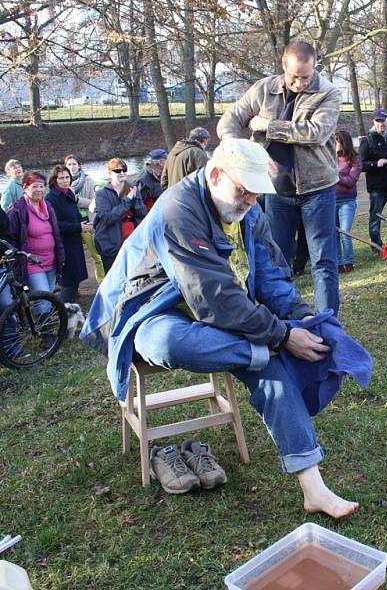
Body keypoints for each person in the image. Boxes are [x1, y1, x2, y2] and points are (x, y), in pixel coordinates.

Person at [81, 138, 366, 518]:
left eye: (256, 194)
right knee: (168, 342)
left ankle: (313, 488)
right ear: (215, 175)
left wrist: (303, 319)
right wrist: (280, 336)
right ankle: (261, 351)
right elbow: (213, 297)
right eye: (244, 192)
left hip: (222, 318)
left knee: (266, 363)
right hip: (152, 312)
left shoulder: (248, 212)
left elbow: (271, 280)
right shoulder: (177, 208)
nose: (250, 202)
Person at [218, 41, 341, 315]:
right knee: (276, 261)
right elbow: (229, 121)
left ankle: (328, 323)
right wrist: (237, 152)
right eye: (294, 76)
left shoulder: (329, 93)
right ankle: (285, 323)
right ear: (283, 65)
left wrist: (267, 126)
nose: (299, 83)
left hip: (318, 189)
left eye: (306, 77)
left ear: (315, 66)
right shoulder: (263, 89)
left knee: (323, 262)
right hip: (275, 190)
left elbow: (315, 134)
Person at [7, 171, 64, 296]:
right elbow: (11, 238)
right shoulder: (17, 210)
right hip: (31, 263)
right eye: (34, 186)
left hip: (51, 261)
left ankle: (42, 315)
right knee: (43, 299)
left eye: (42, 186)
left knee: (49, 298)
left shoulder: (48, 207)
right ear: (25, 188)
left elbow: (56, 235)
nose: (39, 190)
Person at [44, 165, 90, 303]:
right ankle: (62, 308)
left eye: (67, 177)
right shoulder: (52, 198)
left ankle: (73, 305)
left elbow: (75, 214)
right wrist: (78, 226)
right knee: (68, 280)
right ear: (54, 180)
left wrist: (84, 224)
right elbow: (55, 224)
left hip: (74, 239)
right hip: (63, 242)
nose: (65, 180)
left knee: (75, 278)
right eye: (61, 178)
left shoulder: (68, 193)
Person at [93, 158, 147, 272]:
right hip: (111, 243)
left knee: (134, 275)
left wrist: (135, 197)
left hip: (132, 241)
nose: (122, 173)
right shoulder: (101, 194)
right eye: (117, 171)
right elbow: (108, 218)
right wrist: (127, 200)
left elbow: (142, 213)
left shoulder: (132, 188)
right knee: (114, 277)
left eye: (124, 170)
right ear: (110, 173)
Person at [360, 108, 387, 248]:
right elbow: (360, 165)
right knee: (375, 216)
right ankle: (376, 246)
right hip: (377, 187)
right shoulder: (368, 140)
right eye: (378, 121)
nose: (381, 124)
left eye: (383, 120)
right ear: (374, 122)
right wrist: (375, 164)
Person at [64, 154, 104, 282]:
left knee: (96, 255)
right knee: (72, 257)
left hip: (87, 221)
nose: (72, 167)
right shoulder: (63, 183)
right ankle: (74, 286)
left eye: (74, 164)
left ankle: (102, 281)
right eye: (69, 164)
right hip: (71, 224)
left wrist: (76, 200)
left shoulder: (88, 180)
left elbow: (93, 202)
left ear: (79, 165)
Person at [334, 130, 362, 273]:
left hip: (347, 201)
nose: (334, 144)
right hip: (331, 200)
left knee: (345, 232)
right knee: (335, 233)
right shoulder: (330, 158)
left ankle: (348, 263)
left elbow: (351, 181)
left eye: (336, 141)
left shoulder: (355, 159)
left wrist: (335, 175)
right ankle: (338, 264)